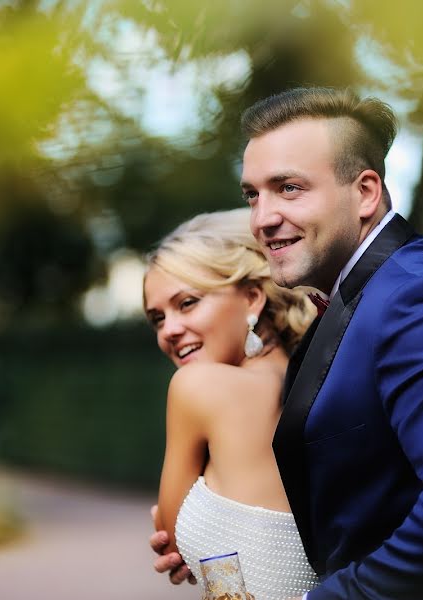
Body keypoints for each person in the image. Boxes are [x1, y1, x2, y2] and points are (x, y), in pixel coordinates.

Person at [153, 87, 423, 599]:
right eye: (252, 195)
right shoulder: (364, 298)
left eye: (289, 188)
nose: (262, 218)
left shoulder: (417, 296)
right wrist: (206, 520)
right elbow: (370, 493)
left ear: (366, 192)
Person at [143, 208, 320, 600]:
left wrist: (182, 523)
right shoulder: (314, 378)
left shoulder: (197, 386)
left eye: (187, 302)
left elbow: (170, 540)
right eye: (157, 318)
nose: (169, 329)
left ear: (253, 297)